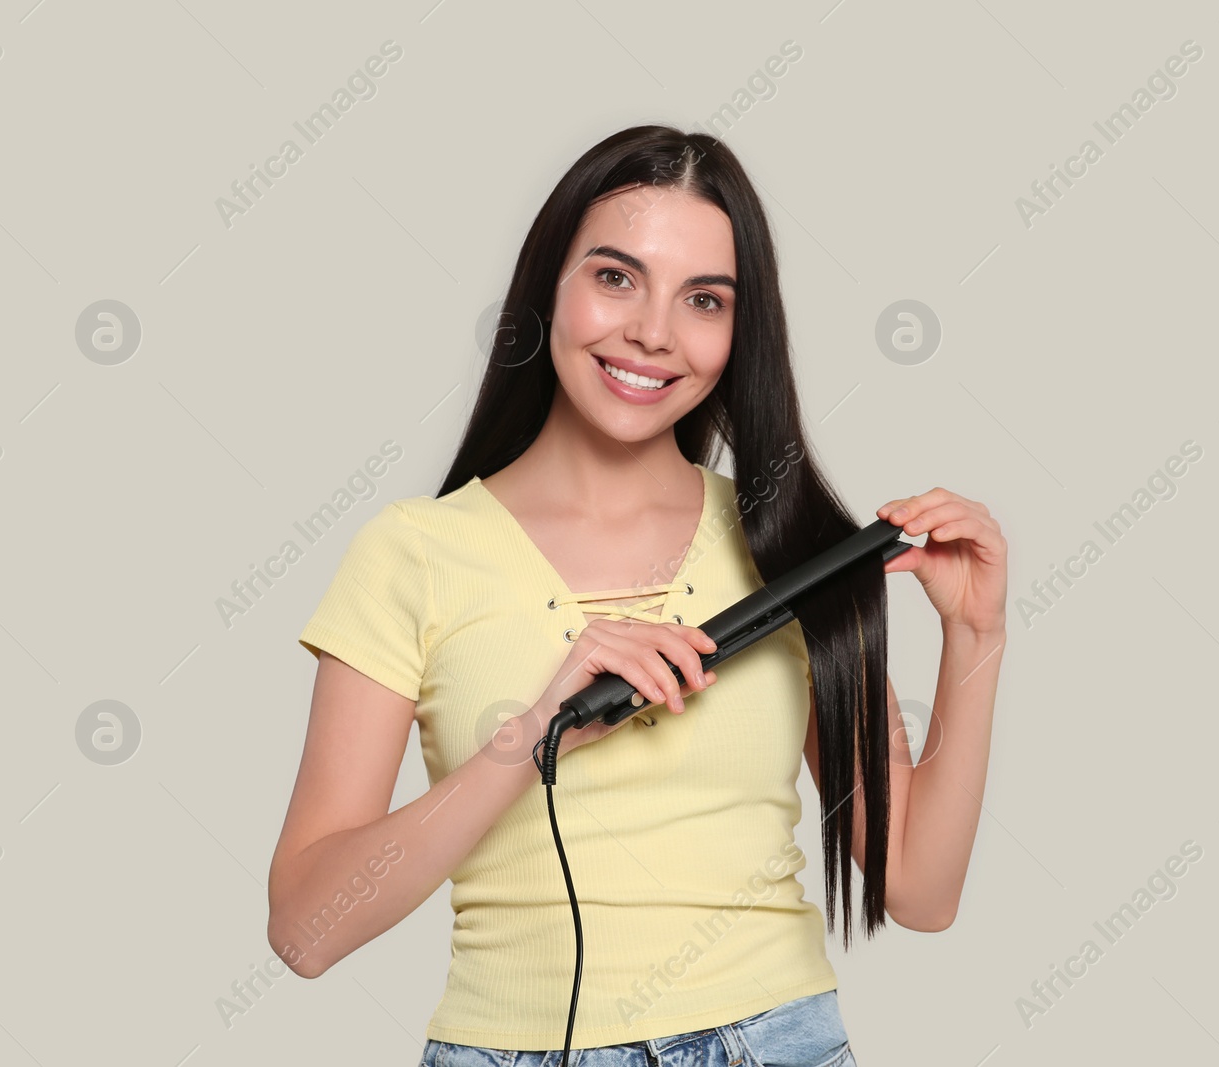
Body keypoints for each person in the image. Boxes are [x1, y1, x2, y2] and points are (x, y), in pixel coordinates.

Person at [267, 125, 1008, 1065]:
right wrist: (537, 728)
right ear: (549, 291)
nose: (654, 332)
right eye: (616, 277)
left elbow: (919, 890)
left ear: (740, 332)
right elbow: (304, 928)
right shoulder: (413, 553)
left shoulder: (792, 549)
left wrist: (976, 634)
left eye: (704, 299)